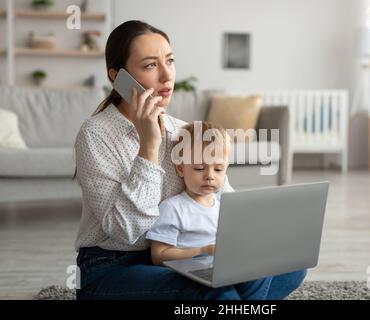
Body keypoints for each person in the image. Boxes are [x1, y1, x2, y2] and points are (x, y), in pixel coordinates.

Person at [74, 20, 307, 300]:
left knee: (290, 266)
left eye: (169, 61)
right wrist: (149, 146)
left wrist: (250, 244)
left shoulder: (184, 132)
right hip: (109, 268)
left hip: (179, 258)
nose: (166, 76)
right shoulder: (96, 133)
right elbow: (127, 232)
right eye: (150, 65)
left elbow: (224, 201)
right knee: (211, 288)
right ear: (118, 77)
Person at [148, 122, 231, 265]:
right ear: (181, 169)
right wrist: (201, 251)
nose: (209, 176)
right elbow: (158, 255)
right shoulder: (172, 208)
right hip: (193, 270)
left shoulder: (224, 205)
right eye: (199, 168)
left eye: (218, 169)